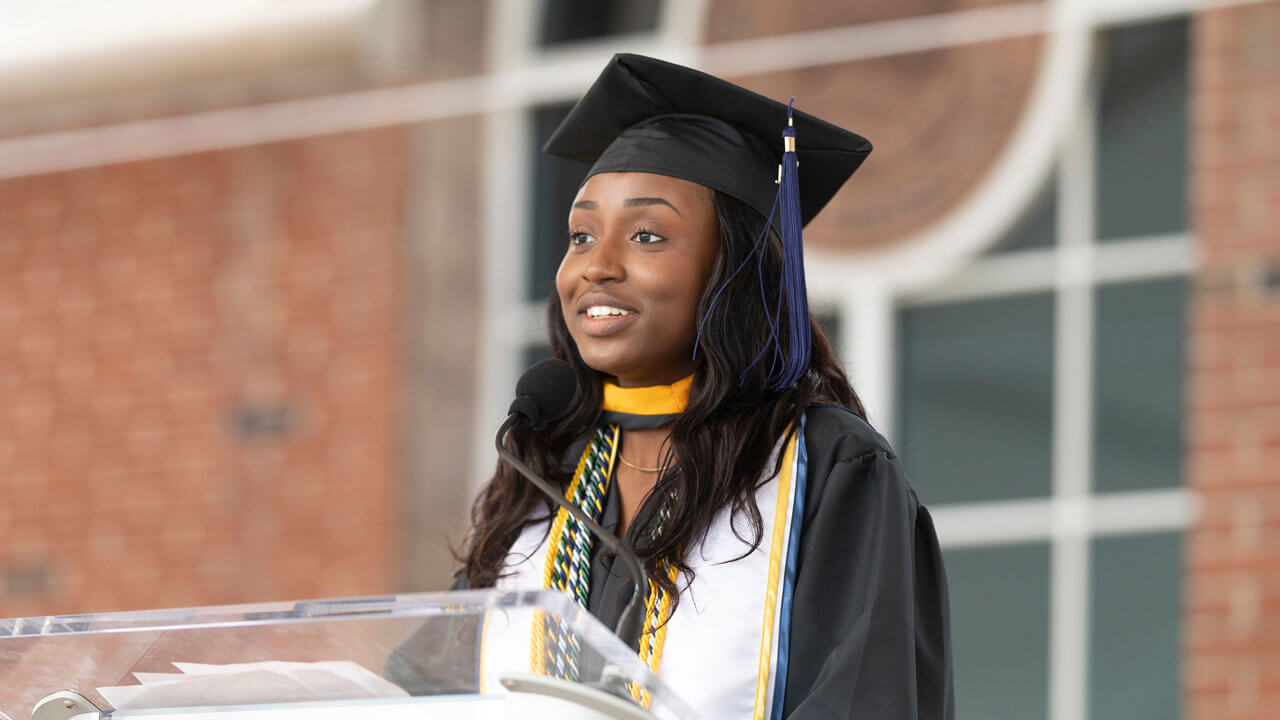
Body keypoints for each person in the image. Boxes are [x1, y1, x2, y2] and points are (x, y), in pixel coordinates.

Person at [456, 54, 954, 719]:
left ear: (736, 269)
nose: (597, 266)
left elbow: (864, 696)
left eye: (647, 234)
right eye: (580, 234)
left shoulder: (826, 467)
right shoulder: (544, 474)